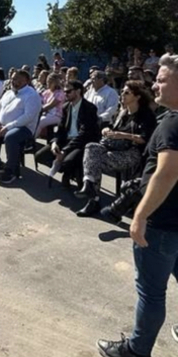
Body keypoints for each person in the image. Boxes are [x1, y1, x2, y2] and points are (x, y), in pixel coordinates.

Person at [97, 53, 178, 357]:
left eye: (161, 78)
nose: (153, 83)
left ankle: (135, 350)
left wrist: (140, 215)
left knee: (151, 292)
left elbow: (168, 171)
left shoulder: (172, 123)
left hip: (163, 221)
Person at [75, 81, 156, 217]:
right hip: (114, 149)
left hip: (133, 153)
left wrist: (123, 135)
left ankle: (93, 199)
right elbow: (113, 129)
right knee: (91, 147)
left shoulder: (145, 115)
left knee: (95, 161)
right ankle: (89, 183)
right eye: (122, 92)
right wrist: (107, 130)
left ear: (137, 97)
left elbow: (144, 138)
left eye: (127, 93)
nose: (122, 95)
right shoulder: (122, 113)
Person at [0, 70, 42, 185]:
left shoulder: (32, 95)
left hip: (23, 128)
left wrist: (8, 127)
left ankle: (11, 170)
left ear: (25, 81)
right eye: (12, 78)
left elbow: (28, 116)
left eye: (16, 79)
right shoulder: (8, 93)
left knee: (11, 137)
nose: (13, 81)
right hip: (1, 125)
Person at [38, 80, 100, 188]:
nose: (65, 94)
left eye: (68, 91)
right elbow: (61, 129)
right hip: (67, 139)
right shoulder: (66, 107)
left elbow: (84, 134)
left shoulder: (89, 108)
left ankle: (69, 172)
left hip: (82, 142)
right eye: (64, 92)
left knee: (67, 161)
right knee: (40, 156)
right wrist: (55, 142)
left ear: (78, 91)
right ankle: (69, 171)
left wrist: (65, 150)